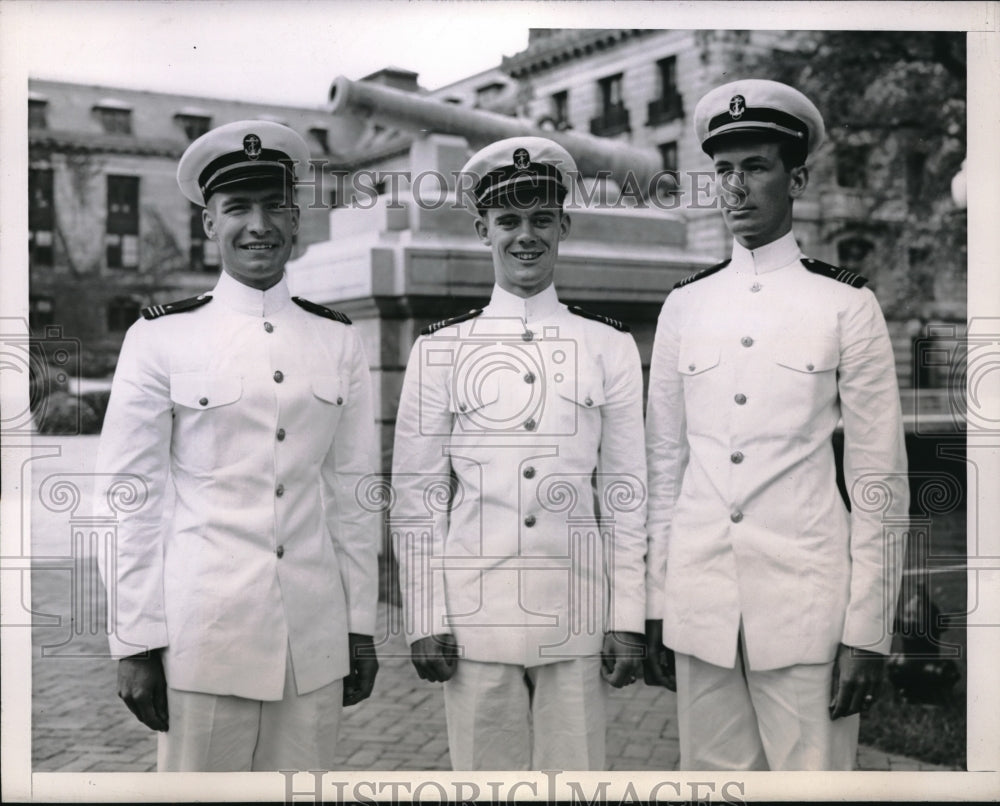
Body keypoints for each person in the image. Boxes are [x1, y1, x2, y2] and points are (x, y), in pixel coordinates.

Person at [96, 120, 380, 771]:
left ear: (297, 218)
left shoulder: (338, 339)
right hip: (205, 635)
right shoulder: (161, 338)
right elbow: (129, 500)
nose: (259, 225)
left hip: (311, 640)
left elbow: (355, 496)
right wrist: (135, 641)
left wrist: (359, 624)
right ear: (208, 224)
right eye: (237, 208)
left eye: (276, 205)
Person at [643, 80, 909, 771]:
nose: (735, 187)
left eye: (754, 167)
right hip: (703, 609)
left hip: (805, 610)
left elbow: (880, 478)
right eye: (723, 170)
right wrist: (654, 603)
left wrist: (868, 632)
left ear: (798, 178)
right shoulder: (685, 307)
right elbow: (662, 466)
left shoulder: (845, 305)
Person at [390, 137, 648, 770]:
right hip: (476, 619)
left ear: (563, 225)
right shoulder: (441, 350)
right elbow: (418, 495)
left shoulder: (607, 347)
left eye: (539, 219)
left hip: (577, 614)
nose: (524, 236)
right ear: (483, 229)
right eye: (508, 220)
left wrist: (629, 617)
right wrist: (425, 614)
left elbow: (627, 492)